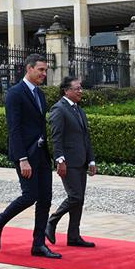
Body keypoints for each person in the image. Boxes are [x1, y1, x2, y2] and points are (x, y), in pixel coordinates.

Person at [0, 54, 59, 259]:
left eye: (45, 70)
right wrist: (22, 158)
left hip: (41, 154)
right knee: (30, 195)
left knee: (45, 198)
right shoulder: (15, 94)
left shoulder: (40, 94)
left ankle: (38, 244)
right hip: (25, 155)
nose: (44, 74)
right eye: (41, 70)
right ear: (29, 69)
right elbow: (14, 129)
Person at [45, 76, 96, 248]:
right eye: (77, 88)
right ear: (66, 91)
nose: (80, 91)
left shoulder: (79, 110)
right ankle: (51, 222)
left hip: (81, 161)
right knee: (75, 197)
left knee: (79, 200)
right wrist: (60, 160)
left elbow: (85, 137)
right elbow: (56, 137)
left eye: (81, 88)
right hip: (68, 162)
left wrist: (91, 160)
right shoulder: (59, 109)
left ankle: (73, 235)